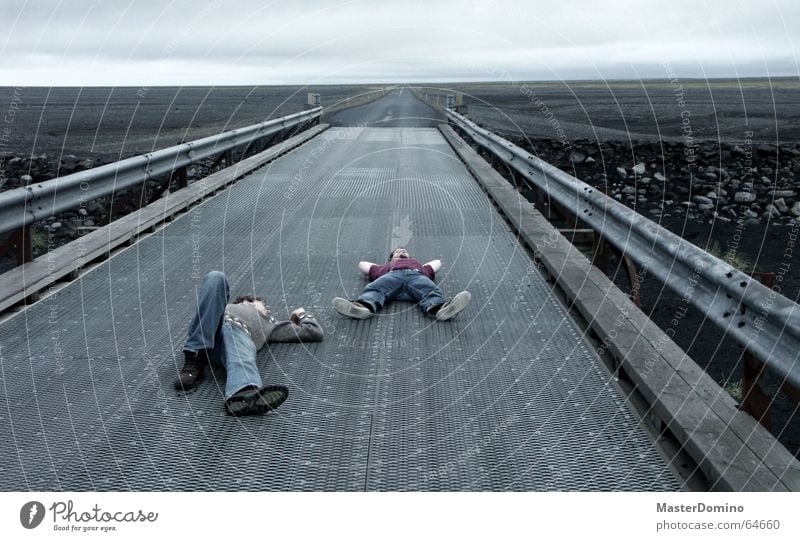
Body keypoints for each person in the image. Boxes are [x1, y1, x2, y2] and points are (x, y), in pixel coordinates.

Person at [176, 270, 323, 416]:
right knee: (216, 277)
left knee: (236, 339)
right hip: (209, 332)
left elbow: (313, 331)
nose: (267, 309)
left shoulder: (271, 324)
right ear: (246, 301)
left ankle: (243, 392)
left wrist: (302, 314)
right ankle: (193, 356)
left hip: (232, 342)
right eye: (262, 305)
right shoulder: (225, 307)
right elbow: (209, 301)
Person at [332, 247, 471, 321]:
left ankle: (440, 309)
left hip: (415, 276)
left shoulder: (419, 266)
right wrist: (388, 263)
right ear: (391, 258)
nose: (402, 252)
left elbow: (437, 263)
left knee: (429, 289)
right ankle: (363, 307)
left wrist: (417, 263)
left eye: (405, 251)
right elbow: (362, 265)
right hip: (393, 276)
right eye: (398, 252)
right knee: (375, 288)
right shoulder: (386, 267)